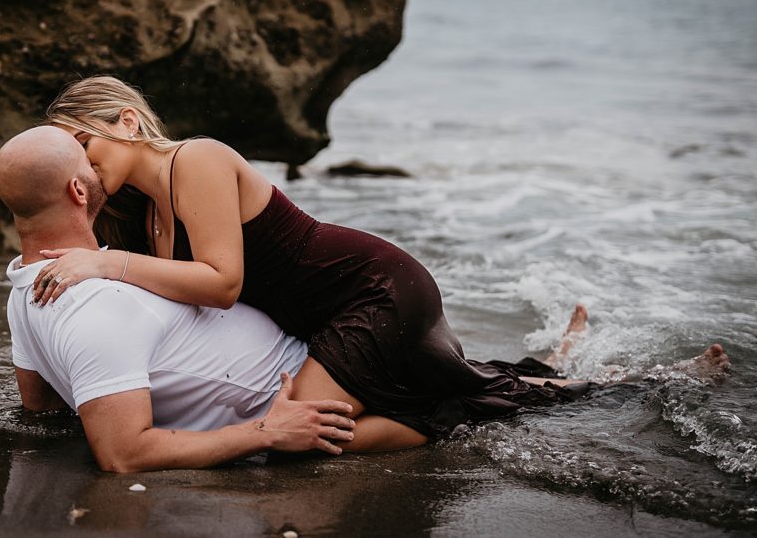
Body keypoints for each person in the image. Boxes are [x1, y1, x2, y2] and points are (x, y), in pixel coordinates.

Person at [31, 75, 590, 445]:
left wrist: (106, 264)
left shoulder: (195, 160)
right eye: (67, 155)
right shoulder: (141, 210)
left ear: (128, 121)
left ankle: (445, 424)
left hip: (373, 289)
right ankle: (547, 377)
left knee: (304, 438)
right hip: (322, 315)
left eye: (83, 143)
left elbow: (222, 283)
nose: (78, 162)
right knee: (315, 423)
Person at [0, 125, 367, 473]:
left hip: (322, 352)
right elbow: (122, 455)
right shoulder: (96, 308)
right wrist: (265, 432)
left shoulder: (25, 291)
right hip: (299, 392)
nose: (96, 169)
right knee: (419, 427)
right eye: (86, 164)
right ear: (78, 190)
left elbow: (42, 406)